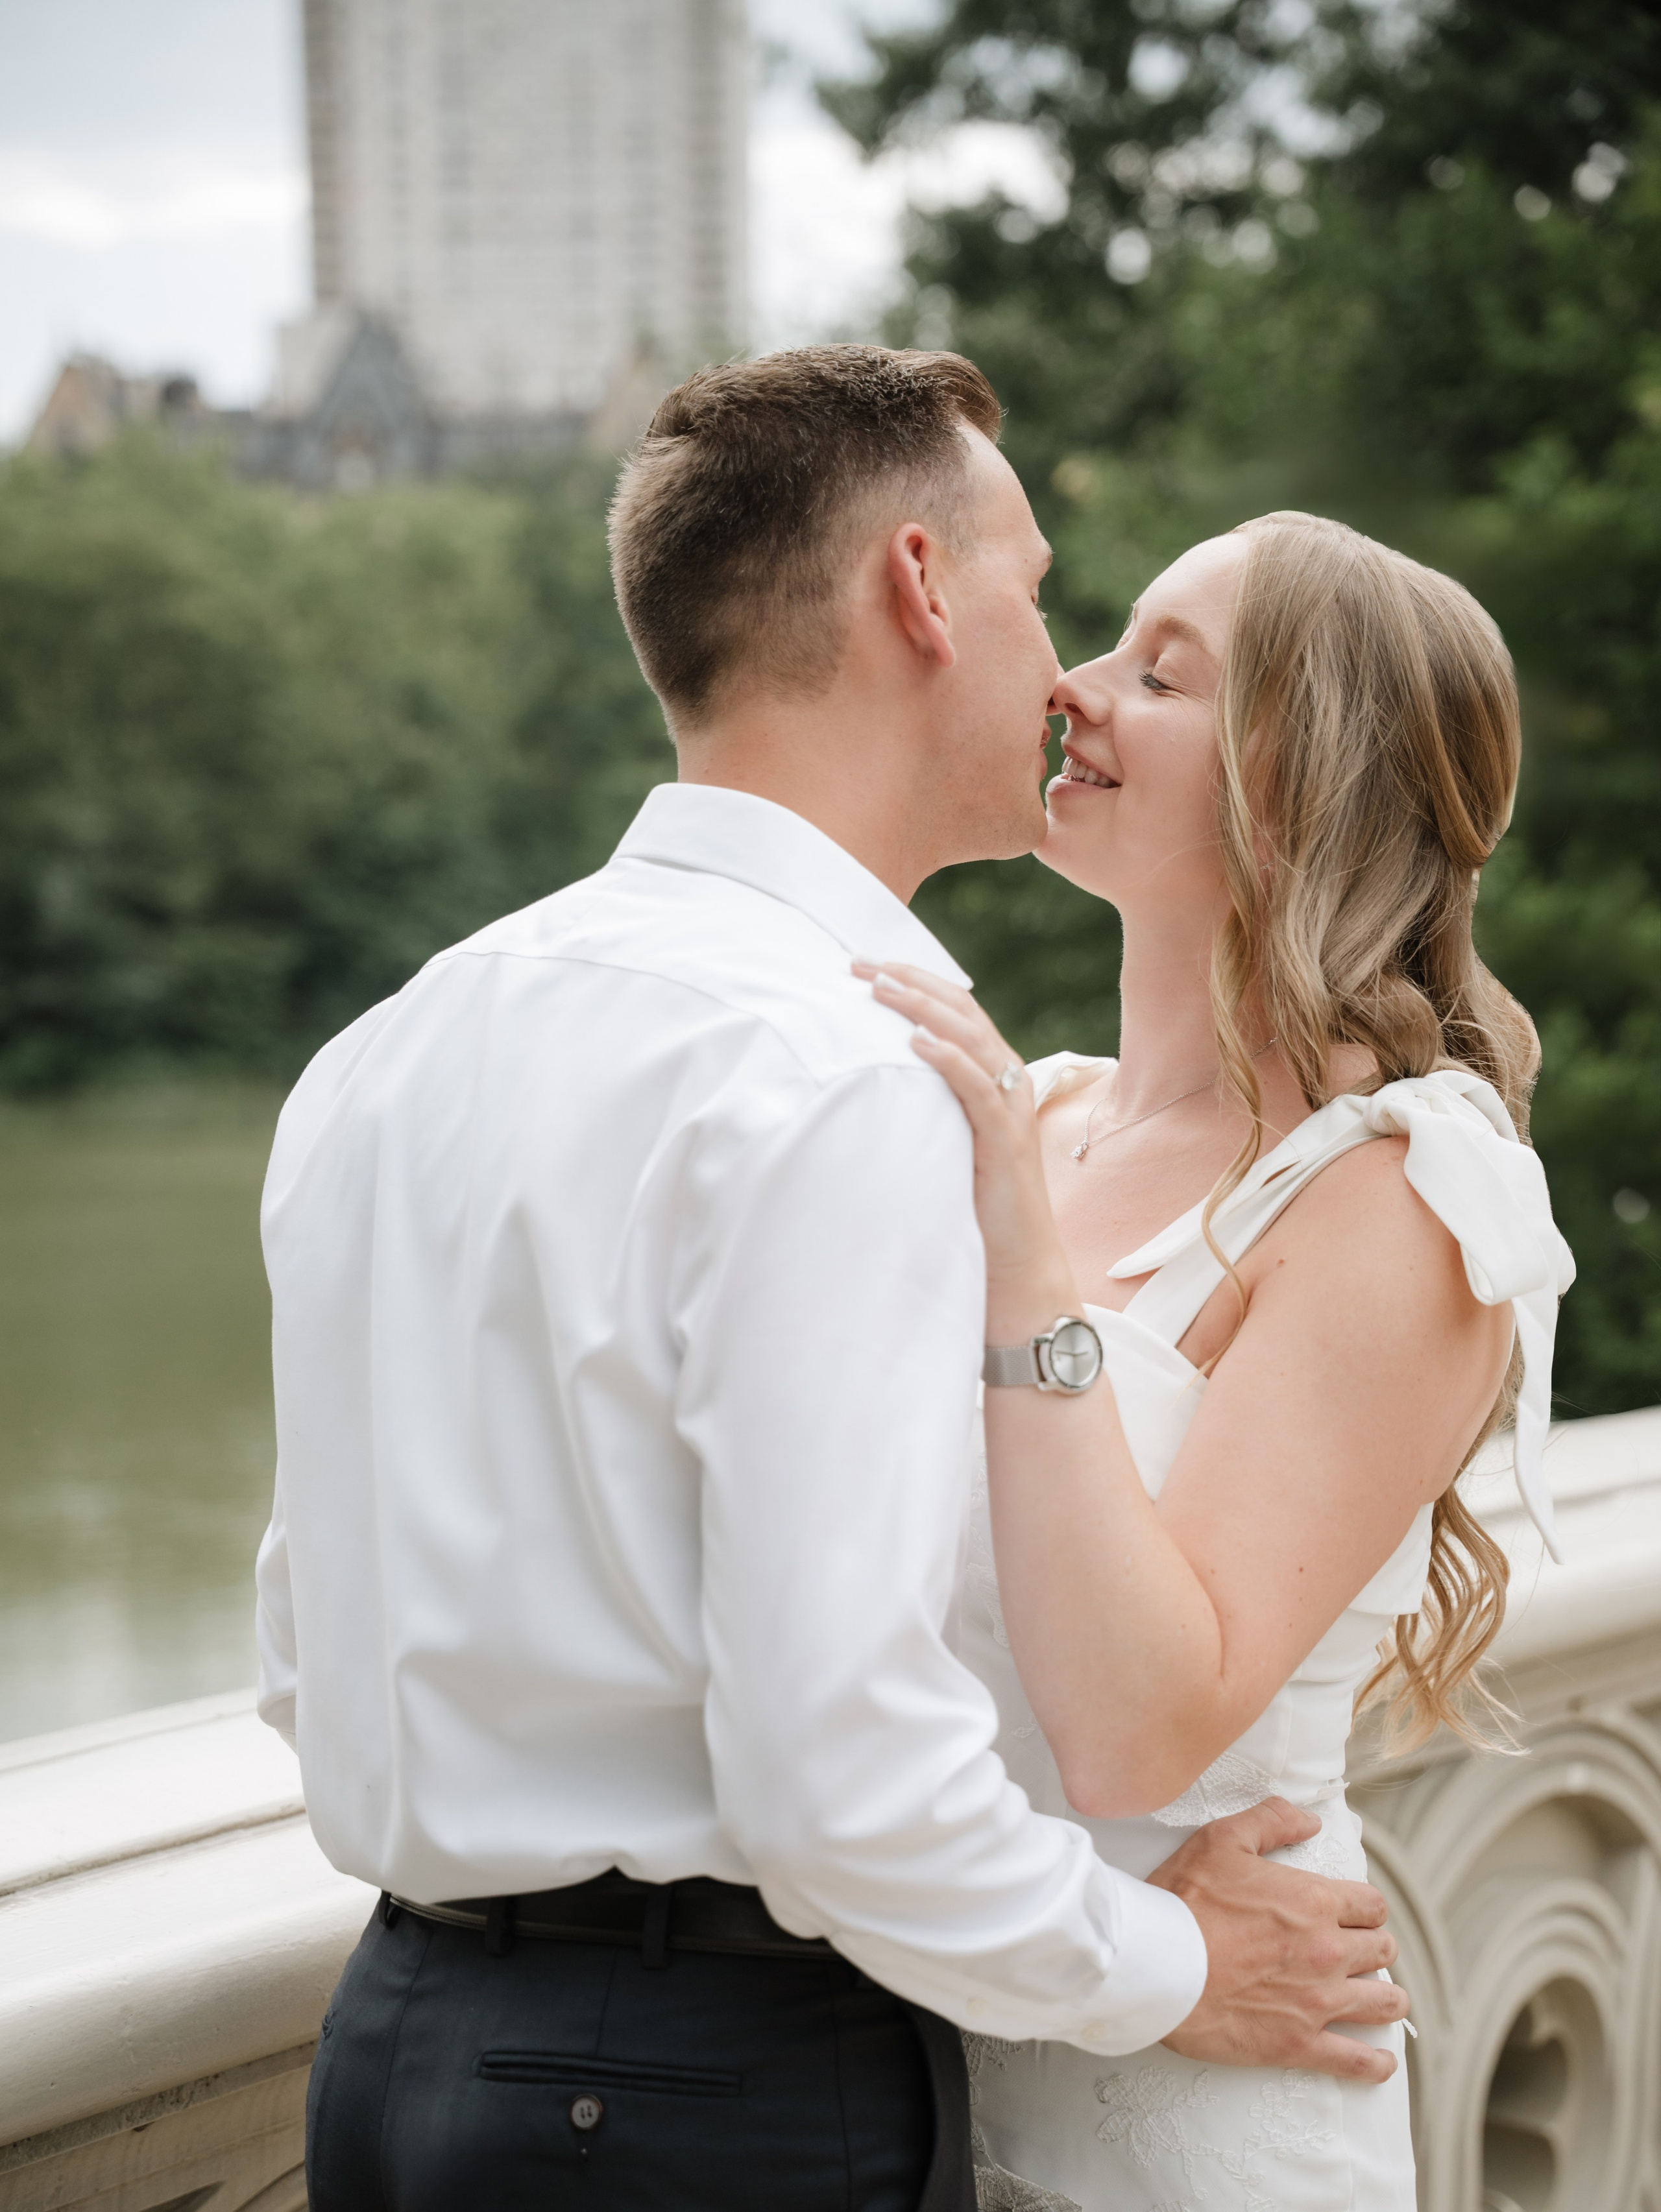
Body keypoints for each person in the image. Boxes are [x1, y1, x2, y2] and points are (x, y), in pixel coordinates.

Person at [254, 354, 1408, 2212]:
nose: (1063, 671)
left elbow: (303, 1657)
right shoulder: (846, 1073)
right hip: (704, 2096)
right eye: (1040, 590)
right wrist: (1176, 1965)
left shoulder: (386, 1049)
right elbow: (841, 1779)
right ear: (920, 588)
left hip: (390, 2050)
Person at [866, 512, 1575, 2210]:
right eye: (1107, 643)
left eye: (1162, 675)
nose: (1074, 688)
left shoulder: (1396, 1195)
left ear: (1303, 780)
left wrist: (1022, 1262)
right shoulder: (1023, 1117)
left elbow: (1135, 1736)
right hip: (904, 2078)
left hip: (1202, 2119)